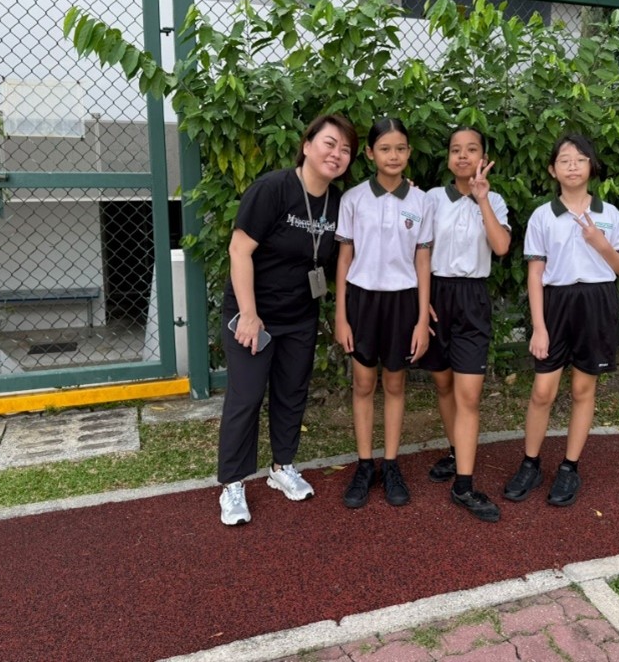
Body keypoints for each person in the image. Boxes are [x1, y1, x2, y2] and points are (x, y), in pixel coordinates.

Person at [217, 113, 359, 526]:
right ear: (307, 144)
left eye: (345, 149)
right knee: (245, 398)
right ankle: (233, 483)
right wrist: (248, 315)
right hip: (254, 315)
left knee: (291, 392)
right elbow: (239, 250)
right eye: (330, 143)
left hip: (300, 315)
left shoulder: (338, 202)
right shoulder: (274, 189)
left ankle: (282, 467)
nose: (337, 154)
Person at [503, 132, 619, 507]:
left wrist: (600, 243)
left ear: (591, 165)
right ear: (552, 170)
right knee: (543, 391)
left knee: (582, 390)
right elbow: (535, 274)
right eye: (564, 160)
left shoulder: (610, 215)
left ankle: (569, 468)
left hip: (596, 302)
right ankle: (530, 463)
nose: (572, 166)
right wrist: (539, 326)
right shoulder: (543, 216)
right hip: (556, 305)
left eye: (580, 159)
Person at [334, 117, 433, 509]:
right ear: (370, 153)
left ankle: (391, 463)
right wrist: (341, 316)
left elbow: (423, 262)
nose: (394, 156)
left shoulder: (421, 202)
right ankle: (364, 464)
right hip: (361, 300)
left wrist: (423, 319)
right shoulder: (353, 199)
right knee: (362, 384)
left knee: (394, 385)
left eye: (401, 148)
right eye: (386, 149)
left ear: (409, 153)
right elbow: (344, 259)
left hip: (403, 302)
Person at [420, 126, 511, 523]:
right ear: (447, 158)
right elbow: (417, 250)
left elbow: (501, 246)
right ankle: (457, 449)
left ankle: (464, 484)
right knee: (443, 383)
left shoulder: (495, 200)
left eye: (471, 149)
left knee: (469, 394)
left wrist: (482, 199)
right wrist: (421, 303)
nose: (462, 156)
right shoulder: (430, 199)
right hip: (435, 296)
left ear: (483, 157)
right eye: (455, 150)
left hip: (472, 298)